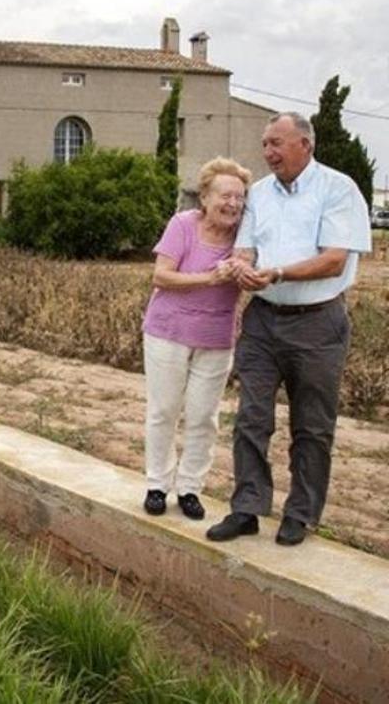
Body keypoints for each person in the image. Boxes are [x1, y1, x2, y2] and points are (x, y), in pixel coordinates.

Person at [206, 112, 372, 546]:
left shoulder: (338, 189)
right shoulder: (259, 193)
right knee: (250, 418)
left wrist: (276, 273)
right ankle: (246, 508)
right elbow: (245, 248)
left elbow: (334, 259)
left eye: (277, 143)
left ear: (306, 144)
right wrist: (240, 267)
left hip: (318, 322)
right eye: (264, 144)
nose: (268, 153)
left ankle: (300, 513)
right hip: (263, 320)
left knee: (312, 425)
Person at [141, 157, 252, 520]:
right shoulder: (183, 225)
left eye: (239, 196)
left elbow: (253, 270)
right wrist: (210, 278)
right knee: (164, 410)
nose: (232, 203)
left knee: (204, 416)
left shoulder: (244, 237)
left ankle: (190, 488)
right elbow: (162, 276)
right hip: (168, 332)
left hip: (217, 337)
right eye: (225, 195)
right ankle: (157, 484)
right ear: (205, 197)